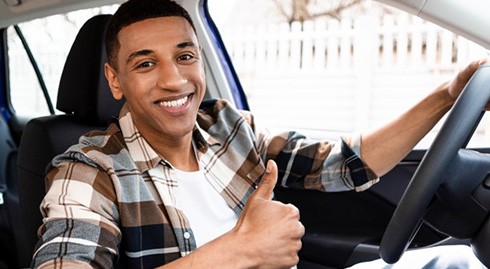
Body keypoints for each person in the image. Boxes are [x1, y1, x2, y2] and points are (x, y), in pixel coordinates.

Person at [32, 0, 488, 268]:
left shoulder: (229, 127)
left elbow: (341, 164)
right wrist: (240, 251)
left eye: (185, 56)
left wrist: (447, 95)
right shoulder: (88, 168)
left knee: (455, 260)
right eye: (146, 63)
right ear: (116, 81)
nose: (174, 81)